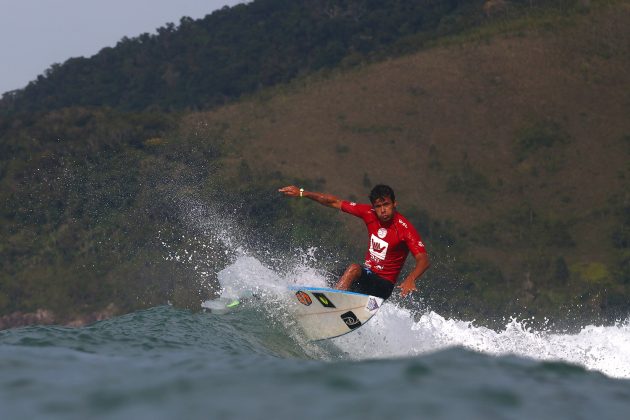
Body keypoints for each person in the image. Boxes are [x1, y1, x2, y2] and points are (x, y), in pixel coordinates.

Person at [278, 184, 429, 299]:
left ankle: (333, 302)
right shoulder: (369, 213)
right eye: (378, 206)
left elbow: (423, 259)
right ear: (373, 207)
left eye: (386, 205)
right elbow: (334, 202)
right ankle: (293, 295)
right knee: (330, 274)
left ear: (394, 204)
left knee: (354, 269)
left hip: (383, 285)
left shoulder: (404, 228)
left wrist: (411, 278)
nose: (383, 210)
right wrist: (303, 193)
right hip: (367, 276)